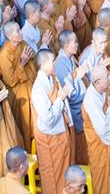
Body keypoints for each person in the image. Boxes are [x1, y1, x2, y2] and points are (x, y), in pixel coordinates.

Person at [31, 49, 74, 194]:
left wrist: (63, 97)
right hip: (49, 138)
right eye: (52, 62)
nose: (55, 64)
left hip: (60, 133)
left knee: (64, 173)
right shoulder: (39, 87)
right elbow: (48, 118)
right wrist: (60, 99)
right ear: (43, 65)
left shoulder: (52, 79)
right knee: (52, 176)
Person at [82, 64, 110, 193]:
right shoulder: (91, 99)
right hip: (100, 146)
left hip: (109, 143)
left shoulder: (102, 92)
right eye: (107, 76)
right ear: (97, 82)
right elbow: (102, 128)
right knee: (105, 181)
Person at [0, 22, 36, 152]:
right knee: (25, 126)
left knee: (34, 124)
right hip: (19, 96)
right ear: (10, 36)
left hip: (30, 87)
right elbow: (10, 81)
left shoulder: (22, 43)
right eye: (17, 31)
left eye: (19, 29)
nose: (20, 32)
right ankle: (26, 154)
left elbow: (33, 56)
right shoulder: (4, 54)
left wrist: (28, 59)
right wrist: (22, 64)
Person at [54, 31, 88, 164]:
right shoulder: (61, 64)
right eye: (75, 42)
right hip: (75, 110)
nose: (77, 44)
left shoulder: (70, 58)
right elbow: (70, 93)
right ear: (66, 45)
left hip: (81, 105)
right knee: (80, 148)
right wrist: (78, 77)